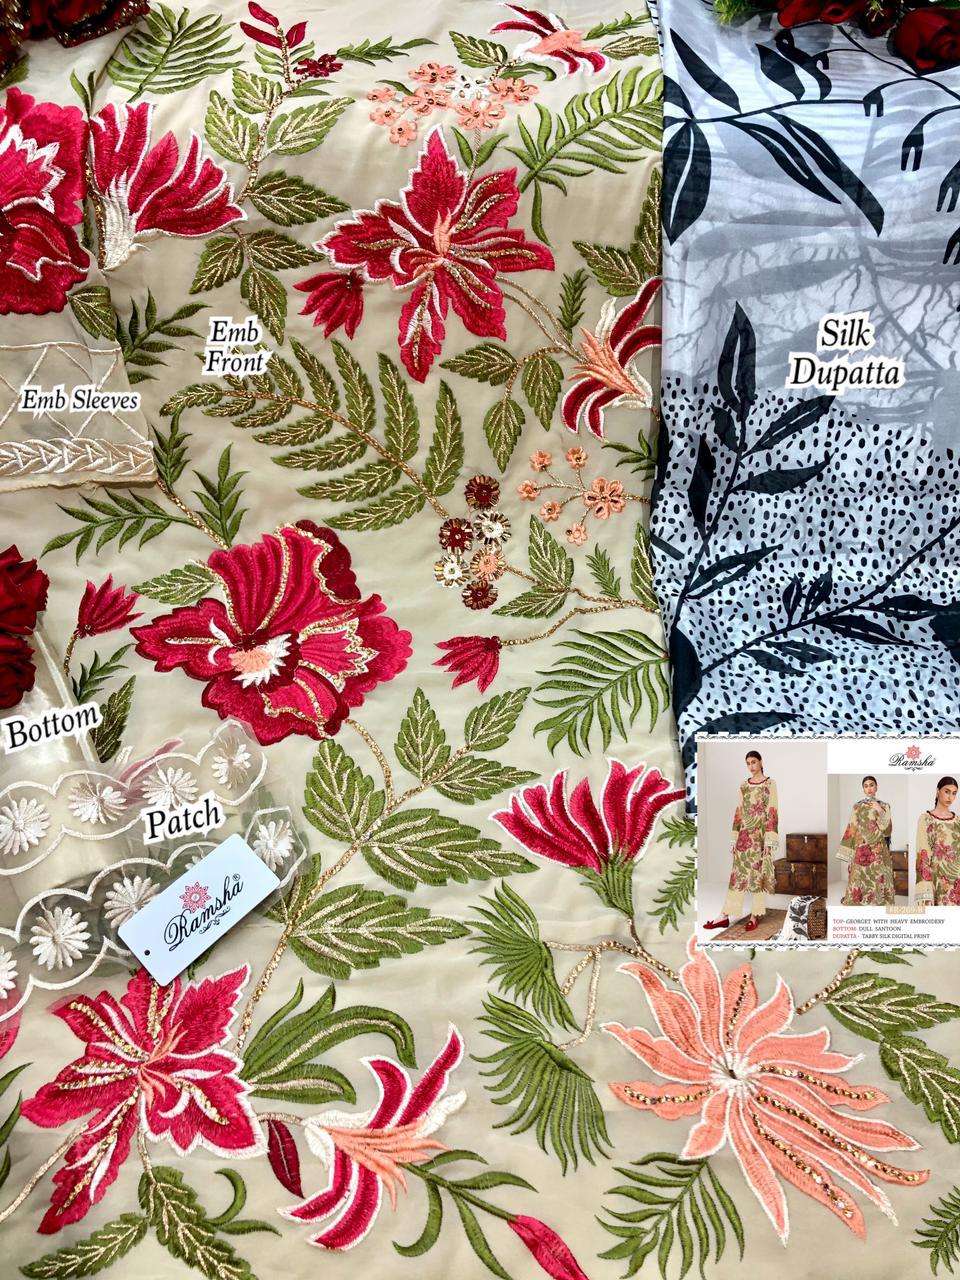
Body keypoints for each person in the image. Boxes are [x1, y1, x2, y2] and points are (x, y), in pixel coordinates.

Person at [704, 749, 777, 933]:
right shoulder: (744, 785)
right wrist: (734, 839)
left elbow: (772, 812)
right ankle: (724, 915)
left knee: (757, 876)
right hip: (744, 837)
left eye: (754, 762)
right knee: (737, 876)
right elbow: (739, 812)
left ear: (761, 762)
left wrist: (769, 842)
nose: (751, 766)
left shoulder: (770, 784)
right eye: (748, 763)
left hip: (760, 838)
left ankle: (755, 915)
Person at [838, 776, 894, 906]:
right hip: (861, 846)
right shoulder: (857, 806)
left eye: (871, 785)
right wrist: (850, 851)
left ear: (876, 787)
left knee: (878, 874)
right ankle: (860, 899)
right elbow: (852, 827)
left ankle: (878, 900)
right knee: (859, 874)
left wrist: (879, 810)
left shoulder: (884, 806)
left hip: (878, 847)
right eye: (866, 786)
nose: (869, 788)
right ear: (863, 789)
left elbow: (887, 830)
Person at [915, 776, 960, 906]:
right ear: (937, 791)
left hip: (956, 881)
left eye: (954, 793)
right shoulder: (926, 819)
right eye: (947, 791)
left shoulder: (957, 821)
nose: (950, 797)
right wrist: (926, 889)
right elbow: (923, 855)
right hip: (937, 880)